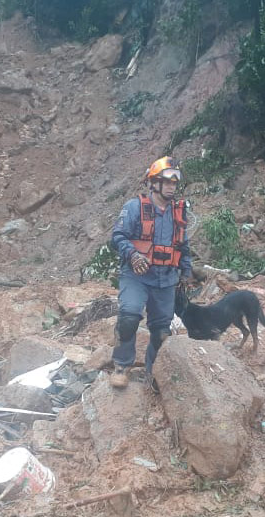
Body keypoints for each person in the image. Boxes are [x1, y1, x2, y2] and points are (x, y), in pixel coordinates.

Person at [109, 157, 193, 389]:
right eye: (165, 182)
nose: (170, 187)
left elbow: (183, 245)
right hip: (136, 274)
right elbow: (117, 237)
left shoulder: (178, 212)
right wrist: (133, 255)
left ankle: (152, 371)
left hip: (166, 278)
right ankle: (121, 365)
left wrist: (186, 271)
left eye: (174, 183)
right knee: (129, 315)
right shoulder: (134, 207)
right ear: (153, 183)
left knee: (161, 330)